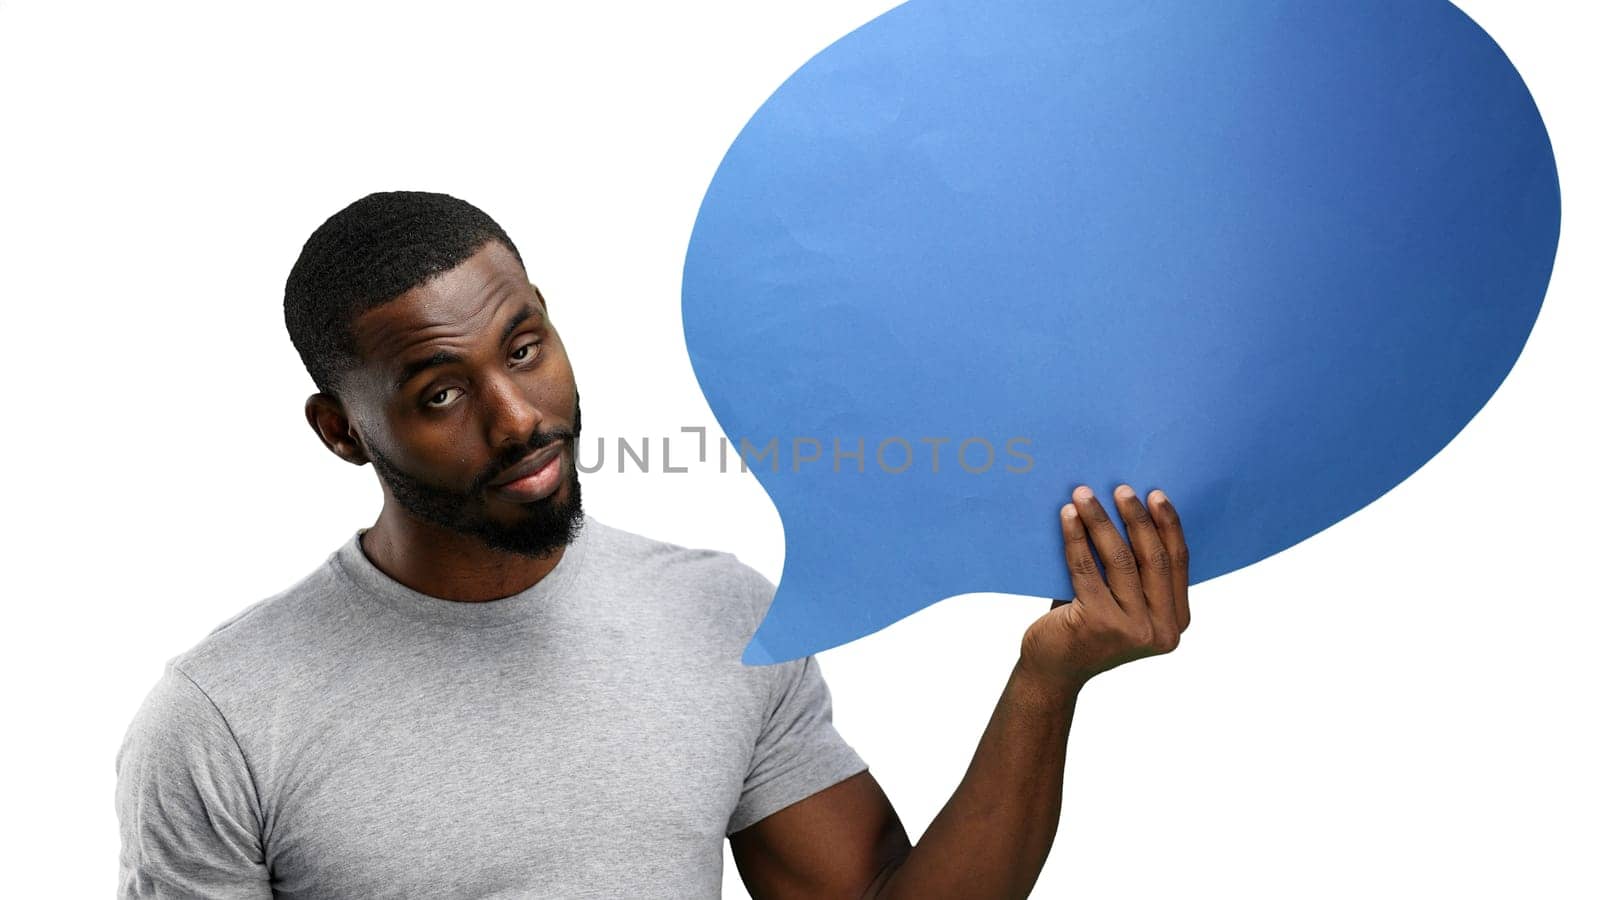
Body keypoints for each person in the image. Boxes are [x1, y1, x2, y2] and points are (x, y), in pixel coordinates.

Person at [114, 191, 1192, 899]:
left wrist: (1044, 686)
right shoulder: (224, 718)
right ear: (341, 431)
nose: (517, 416)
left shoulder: (718, 618)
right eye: (440, 392)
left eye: (525, 347)